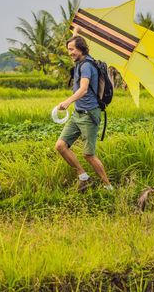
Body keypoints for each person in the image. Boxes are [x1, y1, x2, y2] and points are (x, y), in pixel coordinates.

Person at [55, 34, 113, 192]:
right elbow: (75, 37)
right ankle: (83, 176)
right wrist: (77, 26)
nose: (70, 52)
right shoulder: (80, 61)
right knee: (60, 146)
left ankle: (108, 187)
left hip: (89, 115)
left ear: (81, 49)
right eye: (68, 49)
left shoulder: (86, 65)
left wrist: (67, 102)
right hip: (77, 114)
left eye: (72, 49)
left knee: (89, 155)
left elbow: (83, 88)